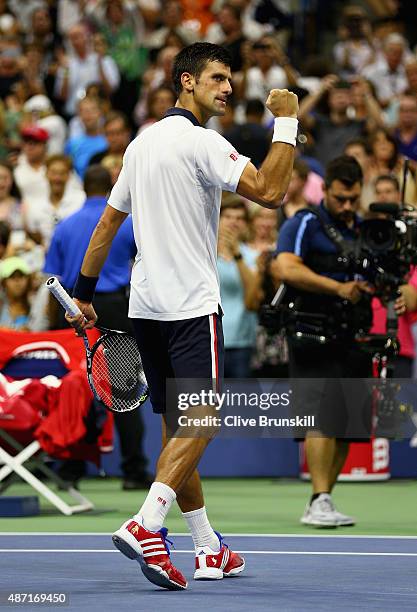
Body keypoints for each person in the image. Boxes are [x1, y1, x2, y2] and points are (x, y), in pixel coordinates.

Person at [65, 42, 298, 590]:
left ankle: (207, 546)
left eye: (230, 79)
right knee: (201, 422)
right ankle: (147, 524)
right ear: (186, 81)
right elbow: (271, 190)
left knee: (178, 433)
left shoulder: (141, 146)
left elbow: (106, 226)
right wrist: (286, 123)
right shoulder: (203, 142)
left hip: (146, 309)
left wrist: (85, 291)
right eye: (218, 78)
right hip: (192, 307)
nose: (228, 88)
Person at [276, 155, 375, 528]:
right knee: (320, 419)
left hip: (355, 335)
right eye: (339, 199)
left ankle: (323, 499)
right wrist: (337, 287)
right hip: (310, 332)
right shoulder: (305, 222)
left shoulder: (366, 230)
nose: (347, 206)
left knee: (347, 422)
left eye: (352, 199)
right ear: (326, 191)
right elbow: (284, 266)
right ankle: (319, 498)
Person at [43, 165, 150, 491]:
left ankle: (70, 469)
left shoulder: (65, 227)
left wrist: (54, 325)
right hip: (116, 311)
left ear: (82, 185)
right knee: (122, 391)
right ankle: (133, 471)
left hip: (75, 309)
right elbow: (145, 260)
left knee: (78, 386)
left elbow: (54, 280)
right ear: (111, 187)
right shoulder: (126, 224)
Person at [217, 198, 258, 378]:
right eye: (228, 216)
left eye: (240, 218)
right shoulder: (203, 254)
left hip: (242, 341)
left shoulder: (252, 256)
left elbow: (253, 296)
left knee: (240, 402)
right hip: (210, 340)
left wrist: (237, 255)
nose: (233, 222)